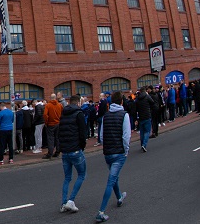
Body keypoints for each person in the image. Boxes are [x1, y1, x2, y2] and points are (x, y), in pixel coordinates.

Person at [95, 91, 130, 222]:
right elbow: (126, 136)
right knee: (111, 180)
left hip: (108, 153)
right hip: (119, 152)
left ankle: (120, 197)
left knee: (113, 176)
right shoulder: (124, 115)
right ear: (121, 101)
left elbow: (102, 136)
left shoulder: (106, 116)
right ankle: (101, 211)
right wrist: (126, 151)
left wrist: (107, 146)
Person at [59, 95, 87, 213]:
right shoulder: (79, 114)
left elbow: (60, 131)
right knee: (81, 174)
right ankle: (71, 200)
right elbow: (83, 133)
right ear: (78, 102)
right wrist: (82, 146)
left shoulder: (63, 113)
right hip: (75, 149)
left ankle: (64, 202)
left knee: (67, 178)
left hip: (65, 150)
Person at [135, 87, 156, 152]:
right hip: (147, 115)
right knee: (147, 131)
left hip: (141, 117)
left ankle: (142, 144)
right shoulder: (147, 96)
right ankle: (144, 144)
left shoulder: (138, 99)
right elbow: (152, 102)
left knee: (142, 131)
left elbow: (135, 106)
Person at [43, 93, 63, 159]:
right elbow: (62, 114)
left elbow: (45, 115)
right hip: (58, 123)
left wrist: (46, 122)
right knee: (57, 138)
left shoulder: (48, 105)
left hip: (50, 124)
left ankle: (50, 153)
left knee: (50, 139)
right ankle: (57, 151)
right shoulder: (60, 105)